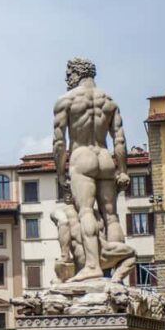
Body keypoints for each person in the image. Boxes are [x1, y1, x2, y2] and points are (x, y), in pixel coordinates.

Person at [53, 57, 132, 282]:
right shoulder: (110, 101)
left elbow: (59, 142)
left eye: (69, 73)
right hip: (105, 158)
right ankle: (118, 271)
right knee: (111, 215)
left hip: (82, 158)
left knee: (86, 211)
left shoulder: (66, 100)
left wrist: (60, 172)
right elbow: (120, 139)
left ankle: (92, 266)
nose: (66, 78)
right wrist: (123, 170)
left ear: (78, 73)